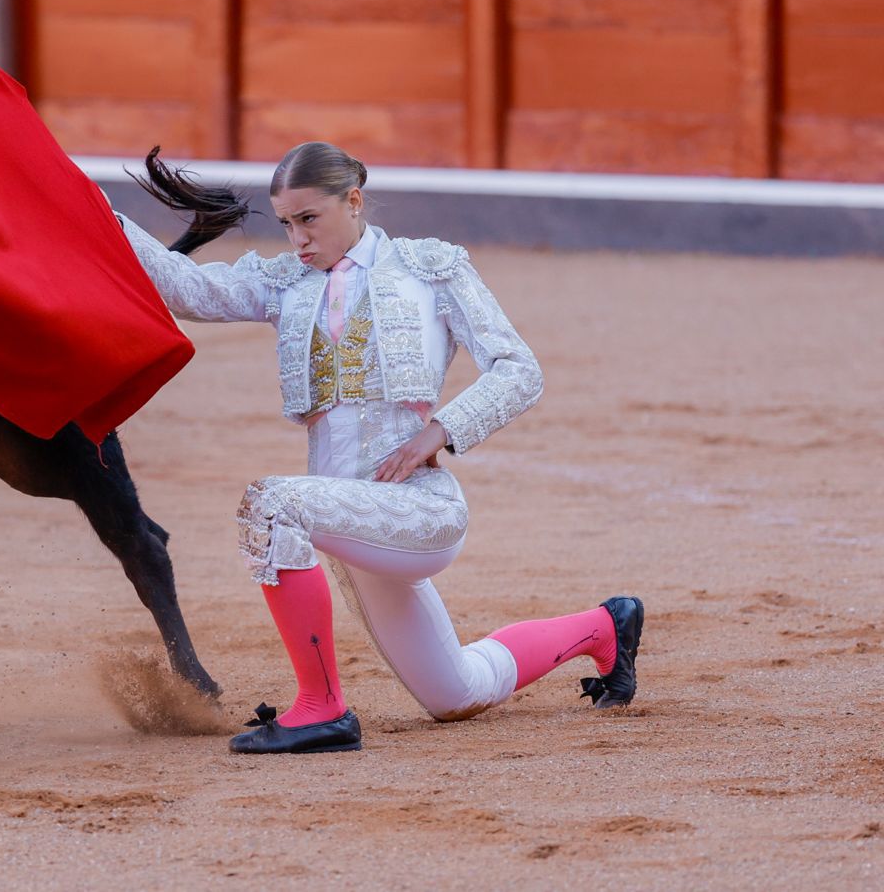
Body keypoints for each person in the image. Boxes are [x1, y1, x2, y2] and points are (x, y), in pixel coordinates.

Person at [118, 143, 643, 754]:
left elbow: (517, 369)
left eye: (309, 219)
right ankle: (606, 627)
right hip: (351, 524)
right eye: (286, 223)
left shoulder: (429, 269)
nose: (298, 239)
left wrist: (440, 430)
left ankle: (322, 710)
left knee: (270, 504)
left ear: (355, 201)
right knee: (456, 693)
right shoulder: (286, 282)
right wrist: (97, 211)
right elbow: (188, 290)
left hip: (418, 509)